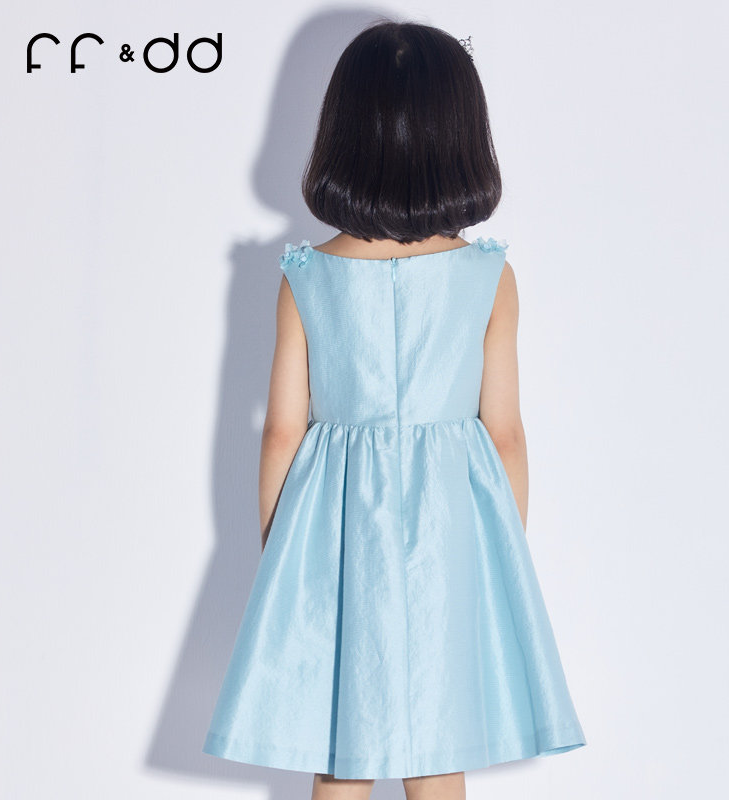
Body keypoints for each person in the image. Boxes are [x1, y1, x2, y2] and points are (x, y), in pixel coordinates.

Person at [202, 18, 586, 800]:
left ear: (342, 137)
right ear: (461, 140)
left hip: (338, 531)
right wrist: (498, 550)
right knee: (437, 746)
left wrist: (283, 554)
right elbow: (506, 435)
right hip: (449, 529)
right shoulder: (488, 277)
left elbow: (282, 432)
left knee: (342, 748)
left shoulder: (307, 275)